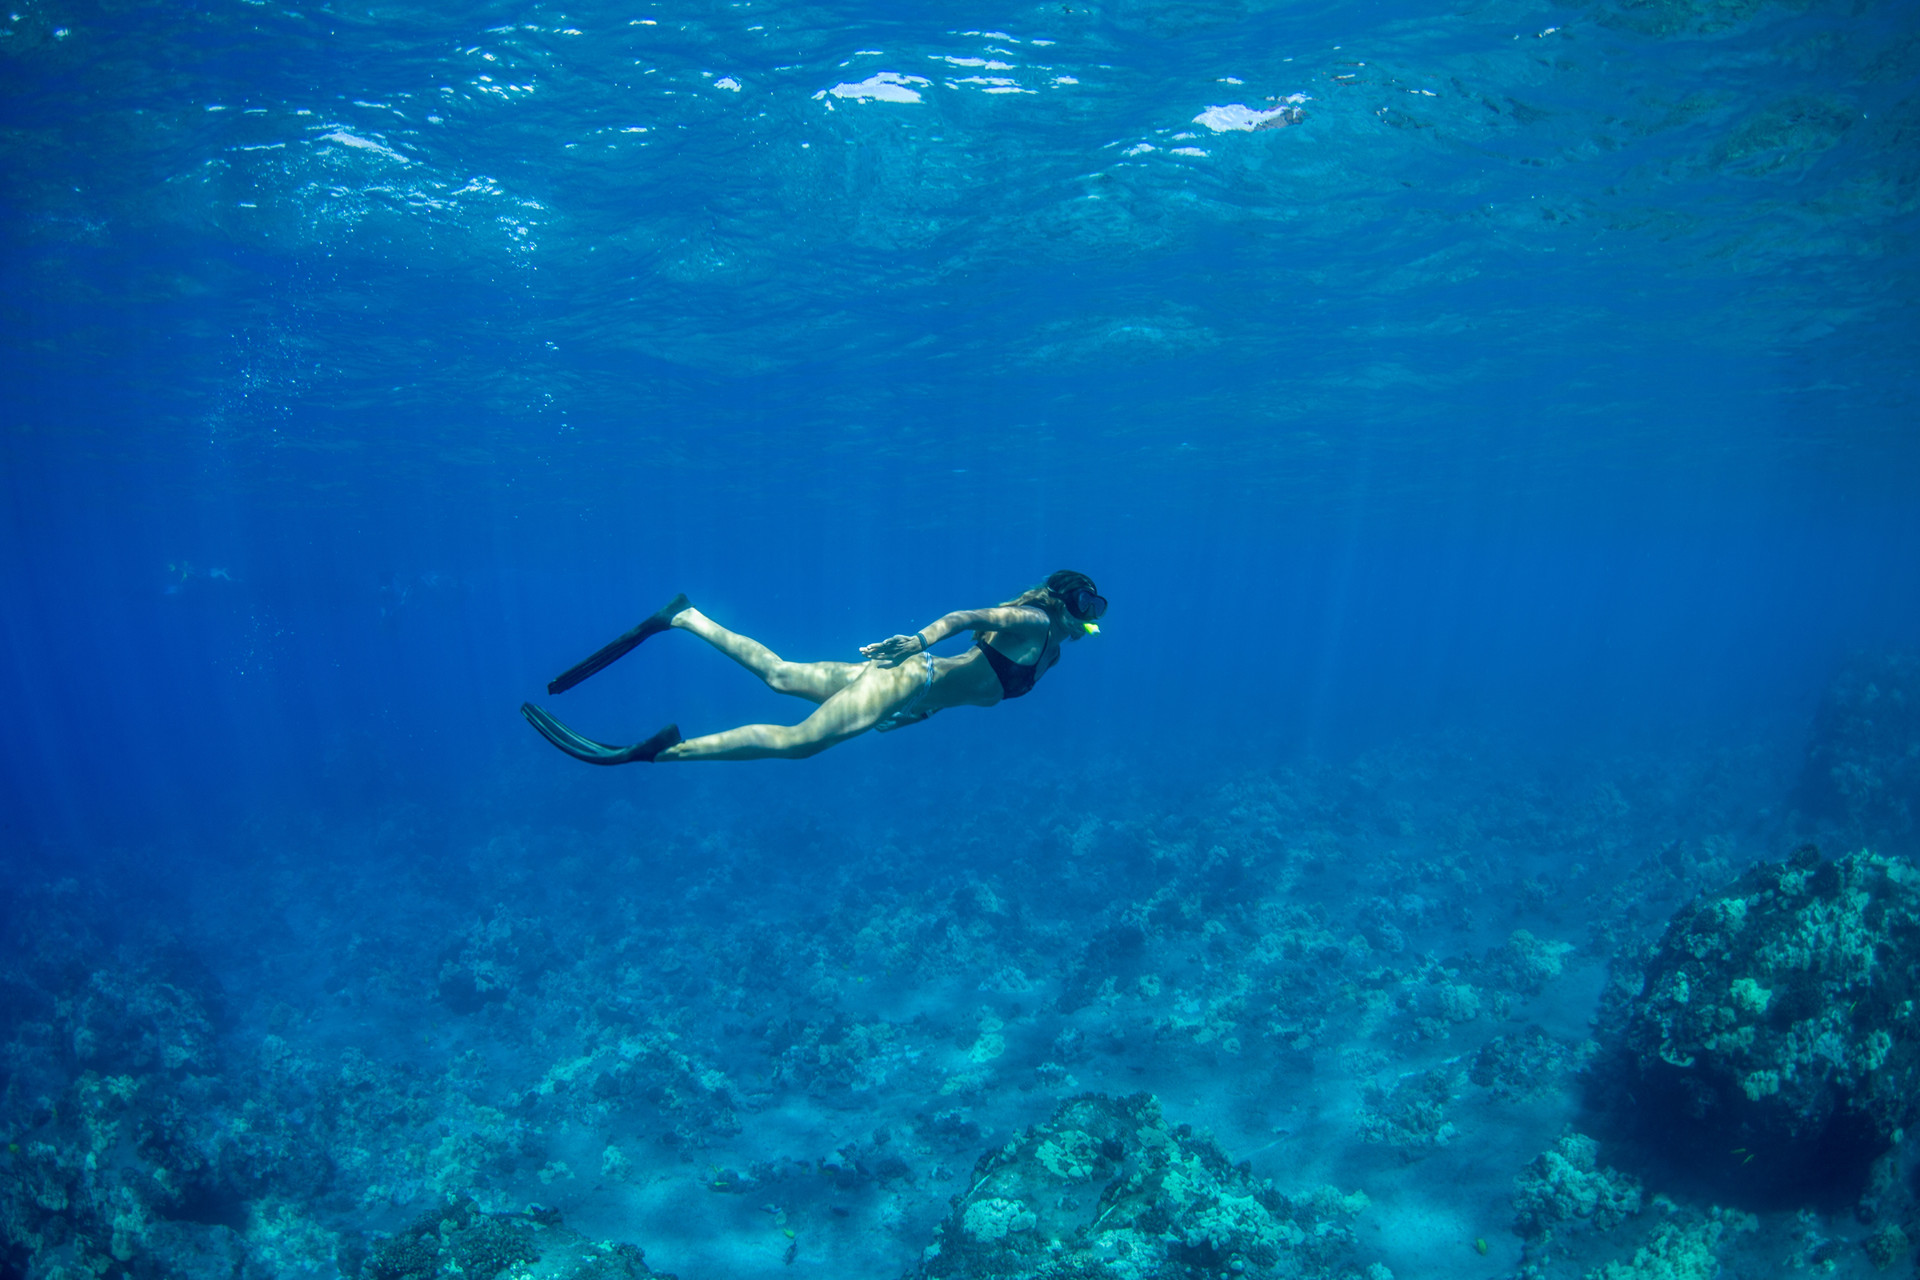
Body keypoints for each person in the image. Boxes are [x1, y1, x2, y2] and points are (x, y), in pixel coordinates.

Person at [520, 570, 1105, 764]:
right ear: (1065, 602)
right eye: (1087, 606)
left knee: (779, 675)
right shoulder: (1034, 623)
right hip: (908, 675)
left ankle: (685, 618)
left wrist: (919, 711)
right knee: (799, 744)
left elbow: (971, 679)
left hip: (913, 689)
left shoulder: (1051, 650)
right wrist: (915, 641)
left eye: (1096, 611)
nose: (1090, 619)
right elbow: (961, 618)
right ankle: (663, 754)